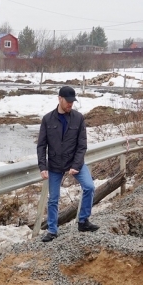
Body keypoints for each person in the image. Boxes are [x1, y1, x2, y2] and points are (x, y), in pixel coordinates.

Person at [36, 85, 99, 242]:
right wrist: (43, 166)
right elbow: (41, 146)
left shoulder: (78, 118)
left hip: (74, 161)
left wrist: (76, 165)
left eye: (72, 101)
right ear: (60, 99)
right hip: (55, 164)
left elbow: (82, 145)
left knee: (89, 187)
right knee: (53, 198)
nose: (70, 104)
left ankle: (83, 221)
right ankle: (52, 230)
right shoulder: (47, 119)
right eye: (68, 101)